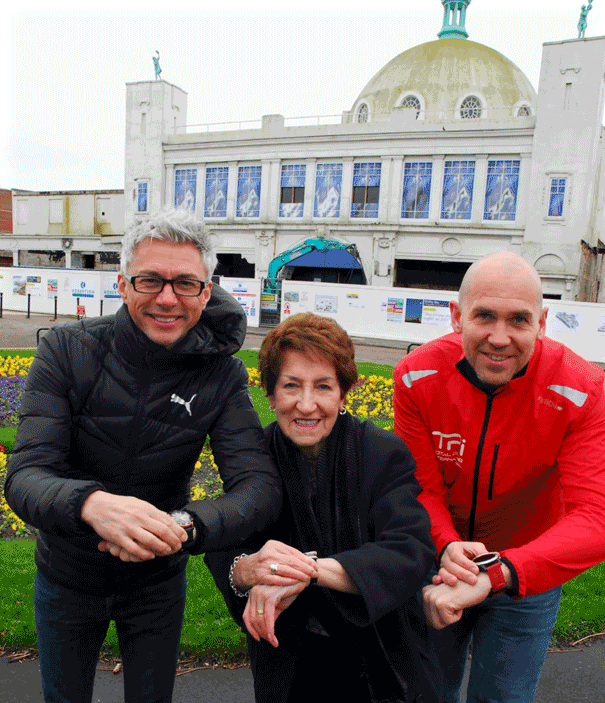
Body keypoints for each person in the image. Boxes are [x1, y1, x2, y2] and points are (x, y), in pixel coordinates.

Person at [4, 209, 283, 703]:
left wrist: (182, 525)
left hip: (157, 583)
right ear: (123, 283)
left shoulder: (221, 374)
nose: (168, 299)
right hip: (67, 577)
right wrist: (91, 504)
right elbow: (25, 475)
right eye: (150, 280)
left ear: (206, 289)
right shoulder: (67, 350)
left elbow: (258, 488)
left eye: (185, 284)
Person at [393, 251, 605, 703]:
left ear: (542, 322)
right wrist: (448, 546)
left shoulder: (583, 389)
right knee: (428, 693)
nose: (499, 337)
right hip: (440, 562)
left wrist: (501, 571)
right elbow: (419, 487)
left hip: (528, 567)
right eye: (484, 316)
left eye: (519, 320)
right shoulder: (416, 375)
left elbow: (597, 518)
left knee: (503, 698)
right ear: (456, 316)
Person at [206, 312, 441, 703]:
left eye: (323, 387)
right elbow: (227, 540)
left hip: (381, 660)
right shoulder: (255, 458)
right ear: (270, 394)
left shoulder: (382, 453)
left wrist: (306, 572)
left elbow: (410, 550)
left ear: (343, 393)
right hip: (290, 661)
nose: (306, 404)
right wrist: (246, 570)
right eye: (291, 386)